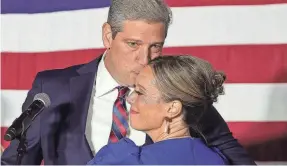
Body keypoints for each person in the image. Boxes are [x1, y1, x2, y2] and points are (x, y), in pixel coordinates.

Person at [1, 0, 255, 165]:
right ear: (108, 35)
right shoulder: (52, 89)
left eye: (156, 46)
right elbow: (18, 160)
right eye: (133, 44)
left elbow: (232, 157)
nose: (144, 58)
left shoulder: (179, 93)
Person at [88, 55, 229, 165]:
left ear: (172, 108)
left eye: (140, 92)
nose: (130, 98)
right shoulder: (216, 159)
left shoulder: (121, 159)